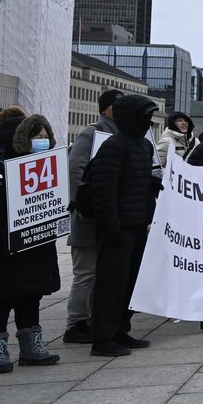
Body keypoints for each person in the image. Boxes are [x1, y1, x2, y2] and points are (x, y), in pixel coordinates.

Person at [0, 115, 62, 373]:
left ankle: (31, 346)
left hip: (37, 247)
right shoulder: (1, 169)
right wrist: (8, 241)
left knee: (30, 297)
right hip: (7, 249)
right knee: (0, 301)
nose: (43, 141)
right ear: (23, 140)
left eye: (46, 136)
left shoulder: (48, 169)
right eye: (37, 137)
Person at [83, 95, 162, 357]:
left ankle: (120, 329)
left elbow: (132, 180)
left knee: (130, 282)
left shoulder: (142, 146)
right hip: (117, 228)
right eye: (145, 117)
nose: (148, 122)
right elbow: (104, 190)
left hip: (138, 224)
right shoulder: (114, 146)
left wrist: (150, 186)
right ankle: (102, 337)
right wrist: (112, 226)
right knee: (110, 284)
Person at [64, 88, 122, 343]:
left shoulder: (120, 134)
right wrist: (84, 205)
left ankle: (91, 318)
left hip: (109, 214)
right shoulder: (92, 133)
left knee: (102, 272)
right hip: (89, 217)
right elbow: (76, 170)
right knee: (86, 272)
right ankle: (76, 322)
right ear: (106, 108)